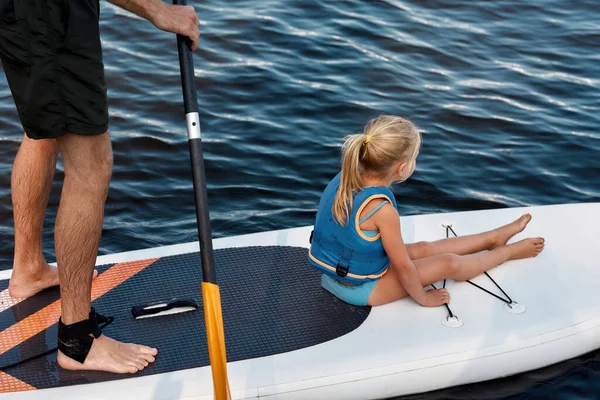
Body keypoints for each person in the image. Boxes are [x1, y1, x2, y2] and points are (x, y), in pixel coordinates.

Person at [0, 0, 200, 373]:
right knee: (90, 165)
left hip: (31, 14)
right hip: (51, 16)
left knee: (43, 130)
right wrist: (155, 9)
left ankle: (29, 268)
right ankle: (78, 340)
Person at [308, 115, 545, 307]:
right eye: (414, 159)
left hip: (335, 273)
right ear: (402, 168)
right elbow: (402, 267)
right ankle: (510, 252)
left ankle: (494, 238)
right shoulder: (382, 210)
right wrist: (423, 298)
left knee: (423, 248)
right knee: (448, 263)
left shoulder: (345, 178)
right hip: (360, 290)